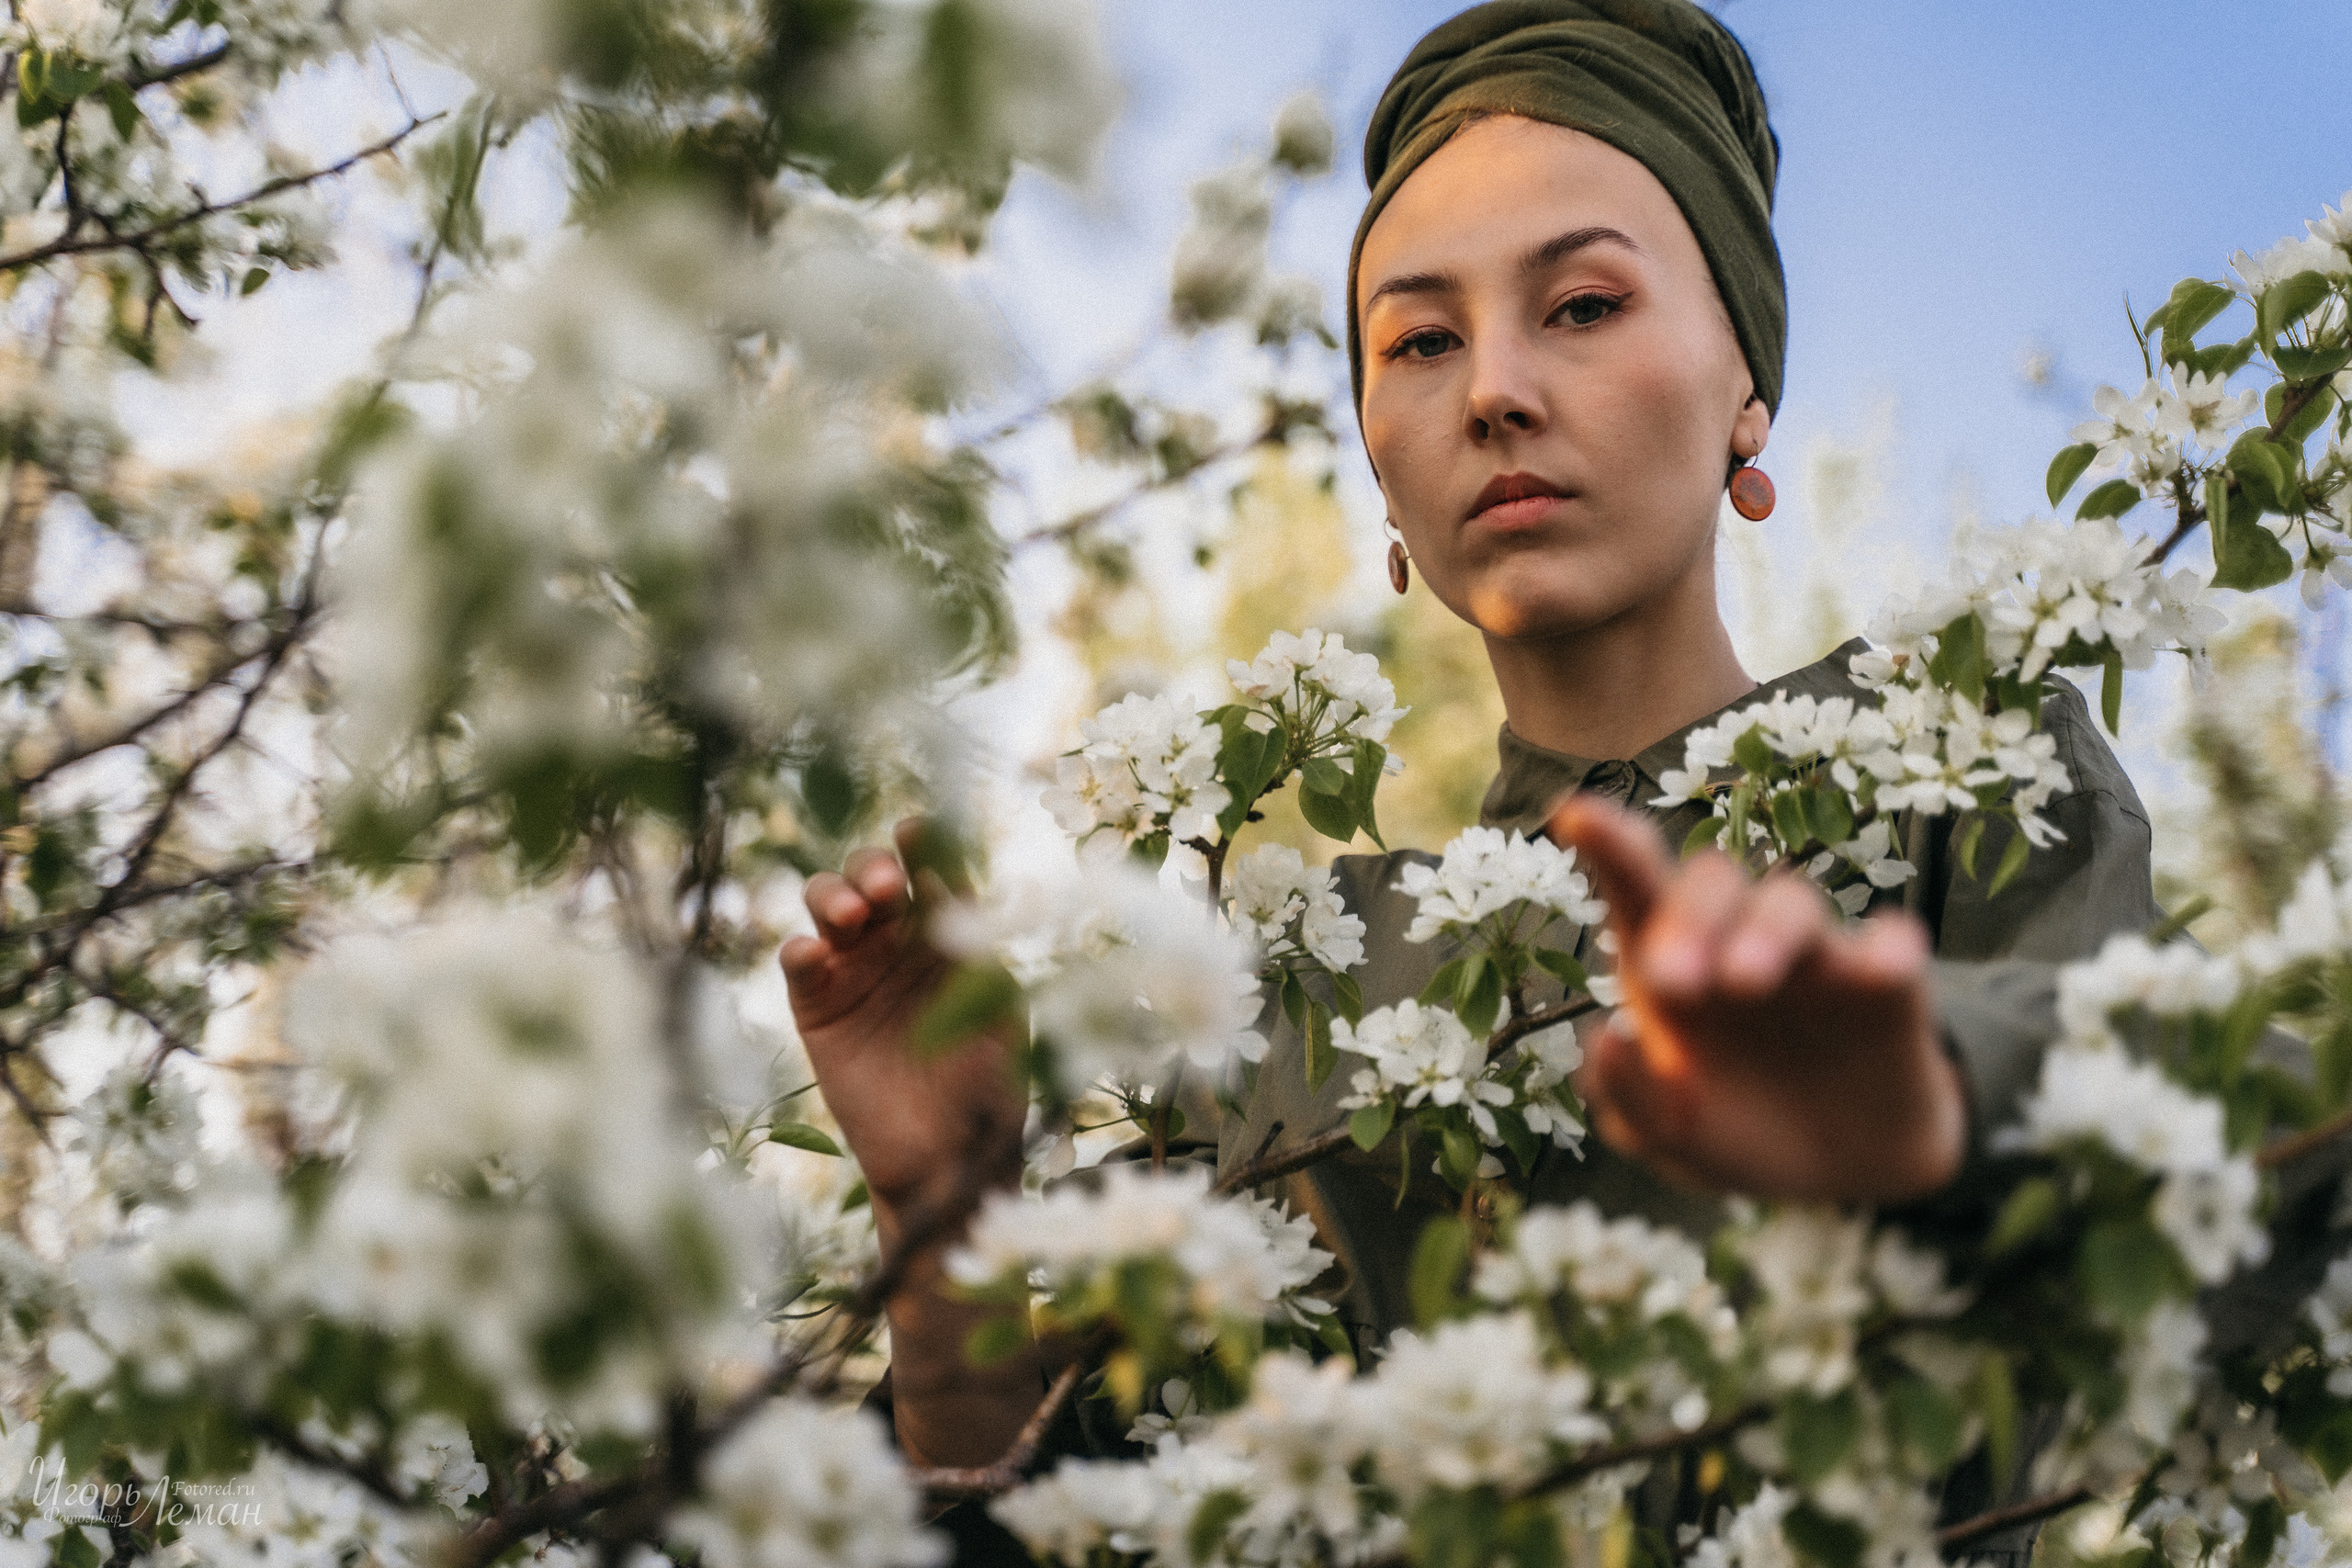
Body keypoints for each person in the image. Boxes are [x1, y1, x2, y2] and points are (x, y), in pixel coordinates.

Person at [781, 1, 2320, 1561]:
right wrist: (947, 1215)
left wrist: (1941, 1087)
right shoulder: (1277, 987)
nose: (1493, 390)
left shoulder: (1957, 760)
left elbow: (2264, 1183)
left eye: (1581, 305)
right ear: (1377, 457)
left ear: (1746, 386)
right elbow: (1059, 1525)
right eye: (1422, 340)